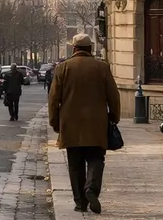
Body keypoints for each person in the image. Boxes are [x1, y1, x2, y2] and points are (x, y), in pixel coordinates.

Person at [48, 33, 121, 215]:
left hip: (70, 124)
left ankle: (80, 202)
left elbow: (53, 99)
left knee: (75, 164)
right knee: (96, 158)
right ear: (90, 49)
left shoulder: (63, 68)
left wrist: (55, 122)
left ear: (74, 49)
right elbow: (114, 97)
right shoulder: (102, 68)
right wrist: (114, 117)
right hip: (97, 124)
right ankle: (91, 188)